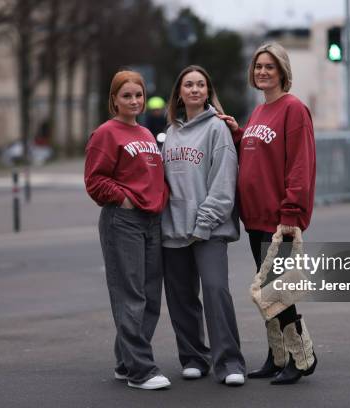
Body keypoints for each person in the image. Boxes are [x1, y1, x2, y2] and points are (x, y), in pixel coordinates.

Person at [218, 42, 318, 385]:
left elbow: (299, 165)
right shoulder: (260, 111)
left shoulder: (294, 109)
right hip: (255, 218)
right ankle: (278, 356)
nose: (262, 71)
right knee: (267, 292)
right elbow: (260, 150)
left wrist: (291, 211)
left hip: (280, 221)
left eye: (269, 66)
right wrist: (239, 133)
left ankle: (302, 358)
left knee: (279, 292)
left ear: (282, 71)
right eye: (258, 66)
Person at [84, 70, 170, 390]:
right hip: (123, 222)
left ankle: (126, 361)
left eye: (138, 95)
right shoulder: (106, 133)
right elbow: (95, 181)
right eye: (127, 96)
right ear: (114, 100)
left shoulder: (147, 134)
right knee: (130, 295)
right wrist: (125, 201)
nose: (134, 101)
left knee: (149, 297)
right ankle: (141, 371)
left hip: (151, 221)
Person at [161, 65, 246, 386]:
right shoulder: (170, 132)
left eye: (201, 85)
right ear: (179, 93)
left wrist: (204, 222)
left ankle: (229, 362)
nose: (195, 90)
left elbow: (224, 184)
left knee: (215, 290)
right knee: (181, 297)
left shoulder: (217, 130)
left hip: (209, 229)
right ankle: (194, 357)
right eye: (188, 85)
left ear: (208, 92)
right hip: (173, 229)